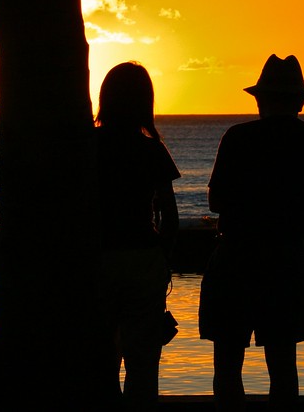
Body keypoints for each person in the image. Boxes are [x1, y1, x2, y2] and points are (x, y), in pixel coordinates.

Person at [199, 55, 304, 411]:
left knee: (227, 360)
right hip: (287, 255)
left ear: (260, 98)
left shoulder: (238, 137)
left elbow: (216, 200)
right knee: (283, 361)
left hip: (236, 255)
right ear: (301, 100)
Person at [91, 62, 180, 411]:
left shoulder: (87, 145)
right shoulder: (151, 149)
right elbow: (170, 217)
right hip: (143, 258)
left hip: (97, 259)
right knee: (143, 366)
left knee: (100, 361)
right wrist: (163, 260)